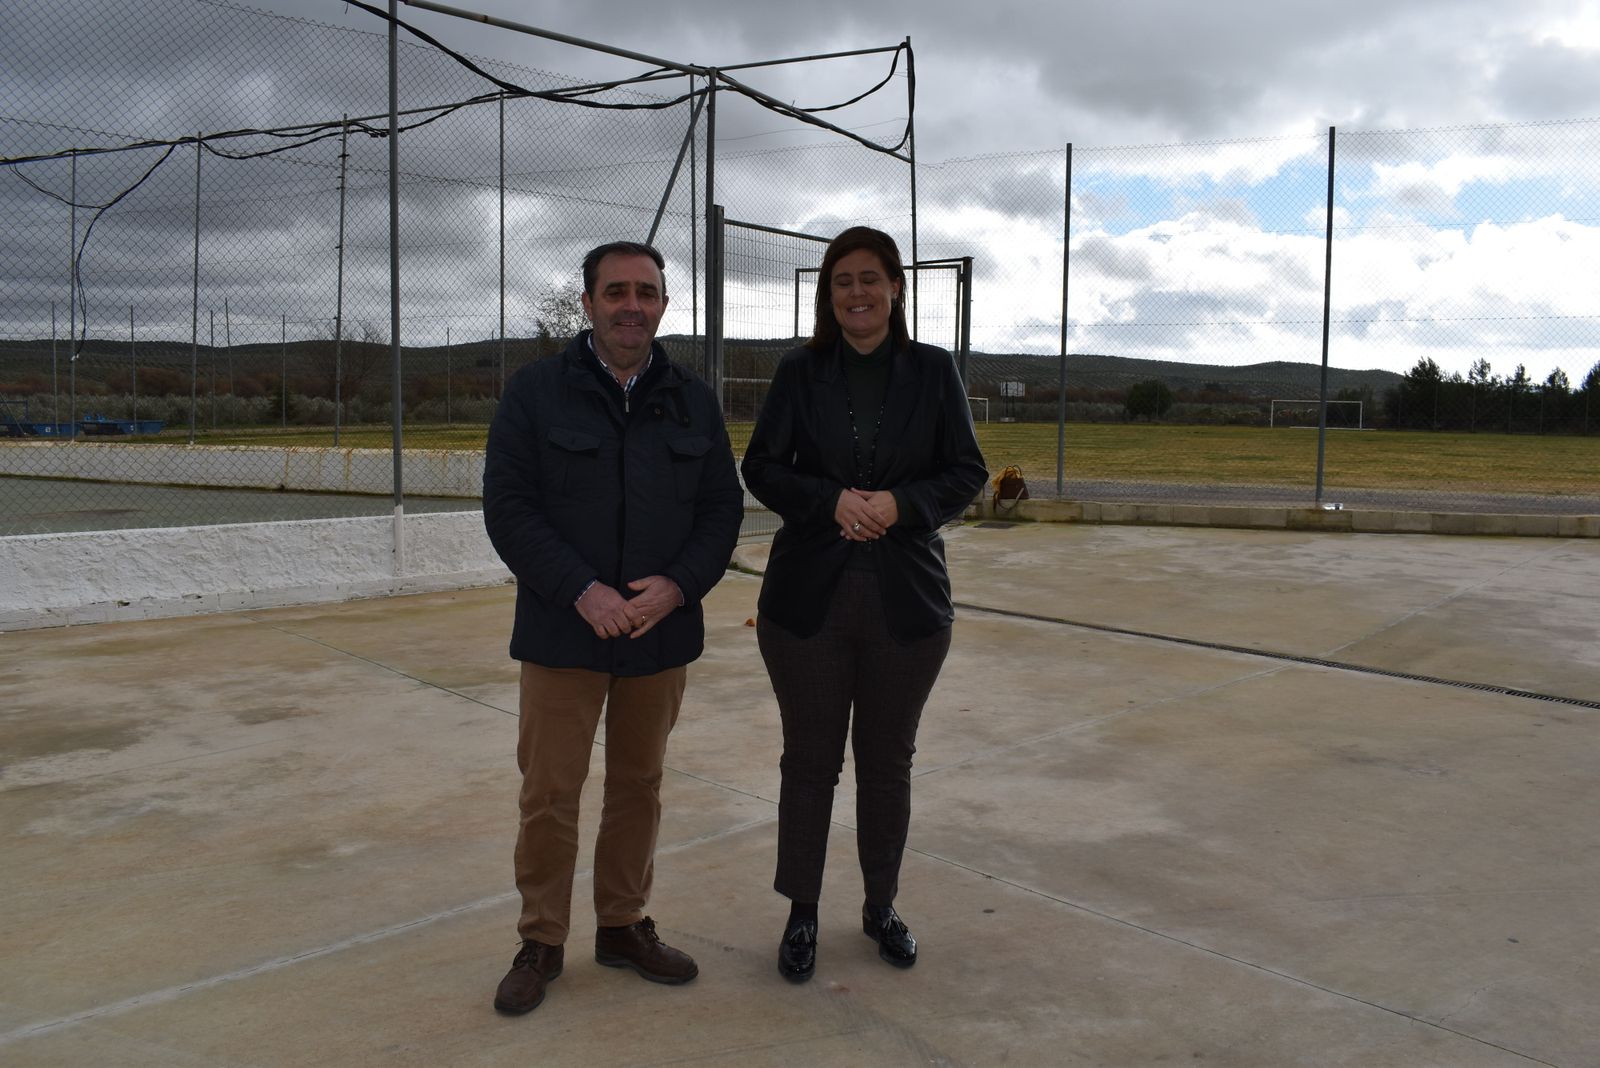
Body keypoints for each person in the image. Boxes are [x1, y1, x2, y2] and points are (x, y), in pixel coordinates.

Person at [483, 240, 743, 1016]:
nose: (633, 304)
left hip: (658, 635)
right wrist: (581, 591)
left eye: (648, 292)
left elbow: (720, 511)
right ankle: (541, 939)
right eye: (617, 290)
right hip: (566, 633)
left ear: (664, 304)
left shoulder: (693, 400)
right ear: (589, 301)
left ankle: (623, 924)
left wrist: (678, 586)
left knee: (640, 786)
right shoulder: (535, 393)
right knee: (551, 792)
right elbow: (509, 507)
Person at [740, 226, 987, 983]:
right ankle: (802, 911)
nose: (857, 292)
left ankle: (881, 906)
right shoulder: (799, 371)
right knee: (809, 764)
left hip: (907, 607)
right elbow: (763, 468)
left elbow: (965, 470)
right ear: (829, 293)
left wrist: (900, 506)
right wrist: (834, 501)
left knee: (888, 765)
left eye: (870, 279)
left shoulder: (932, 371)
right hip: (806, 606)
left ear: (897, 289)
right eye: (842, 280)